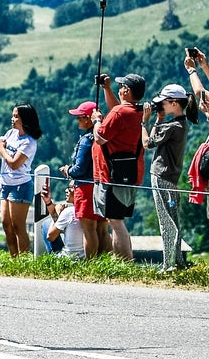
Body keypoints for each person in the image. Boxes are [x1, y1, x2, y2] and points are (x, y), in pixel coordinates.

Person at [93, 72, 146, 259]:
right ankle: (122, 262)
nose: (120, 88)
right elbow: (118, 111)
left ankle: (125, 263)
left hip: (112, 173)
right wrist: (106, 88)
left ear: (126, 90)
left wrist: (97, 121)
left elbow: (99, 138)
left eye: (121, 86)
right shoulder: (137, 111)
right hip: (130, 171)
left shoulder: (119, 113)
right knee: (116, 219)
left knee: (115, 220)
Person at [150, 70, 198, 272]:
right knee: (173, 218)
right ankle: (177, 261)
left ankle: (168, 264)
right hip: (170, 177)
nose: (161, 105)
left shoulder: (172, 127)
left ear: (174, 103)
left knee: (166, 222)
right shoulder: (182, 124)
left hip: (161, 176)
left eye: (164, 102)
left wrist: (150, 121)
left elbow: (148, 142)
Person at [0, 104, 39, 255]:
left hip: (20, 186)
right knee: (6, 224)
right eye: (13, 115)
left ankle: (24, 259)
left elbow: (14, 164)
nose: (12, 119)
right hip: (6, 184)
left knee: (17, 226)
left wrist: (1, 147)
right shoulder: (10, 134)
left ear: (25, 120)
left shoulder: (29, 142)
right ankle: (14, 258)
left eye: (16, 116)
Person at [64, 101, 105, 261]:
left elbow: (79, 169)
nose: (77, 120)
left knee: (89, 229)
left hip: (85, 188)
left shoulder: (86, 140)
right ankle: (104, 261)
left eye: (80, 117)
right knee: (102, 229)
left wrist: (68, 170)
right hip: (100, 186)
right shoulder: (101, 137)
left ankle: (91, 264)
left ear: (88, 119)